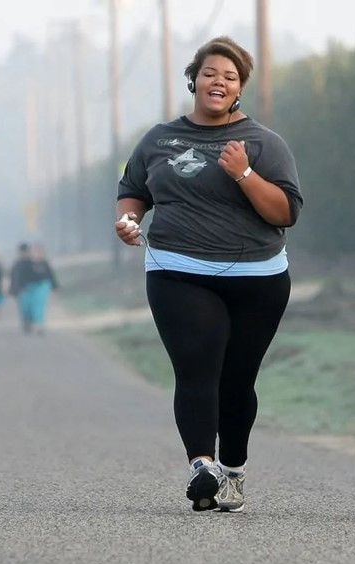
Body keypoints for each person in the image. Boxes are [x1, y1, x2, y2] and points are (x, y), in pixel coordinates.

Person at [115, 36, 302, 513]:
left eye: (230, 77)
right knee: (196, 367)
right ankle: (203, 467)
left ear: (239, 89)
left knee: (238, 380)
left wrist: (244, 173)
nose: (219, 82)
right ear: (194, 79)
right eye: (211, 73)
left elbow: (285, 212)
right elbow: (133, 188)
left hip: (257, 277)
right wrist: (130, 219)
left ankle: (233, 472)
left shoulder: (263, 143)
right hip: (177, 269)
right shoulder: (159, 139)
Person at [10, 243, 58, 335]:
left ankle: (39, 326)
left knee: (39, 306)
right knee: (27, 307)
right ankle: (27, 321)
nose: (37, 254)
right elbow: (17, 276)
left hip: (41, 286)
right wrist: (16, 288)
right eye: (34, 252)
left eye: (39, 252)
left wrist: (55, 286)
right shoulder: (24, 263)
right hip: (27, 287)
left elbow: (50, 275)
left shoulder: (44, 263)